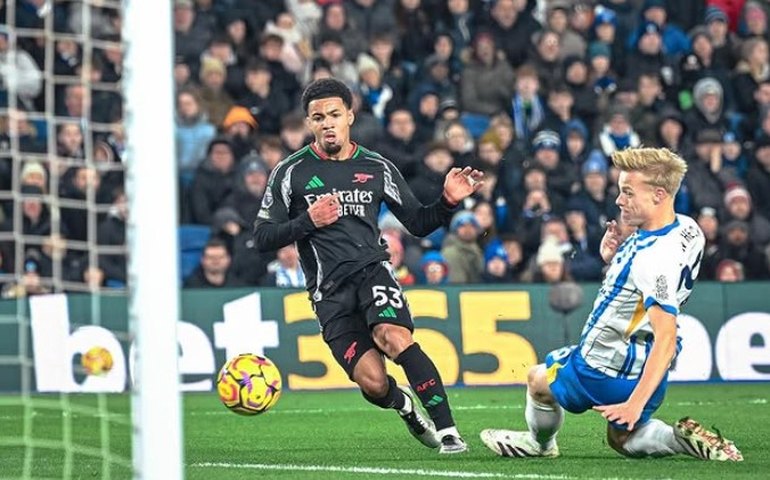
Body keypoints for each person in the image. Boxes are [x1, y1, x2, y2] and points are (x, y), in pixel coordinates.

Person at [253, 78, 483, 454]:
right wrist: (307, 221)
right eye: (318, 118)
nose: (327, 123)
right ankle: (405, 406)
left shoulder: (377, 167)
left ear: (350, 116)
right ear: (309, 123)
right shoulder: (290, 171)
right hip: (328, 292)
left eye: (334, 115)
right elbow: (263, 236)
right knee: (373, 383)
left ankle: (449, 433)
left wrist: (447, 202)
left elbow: (418, 223)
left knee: (395, 337)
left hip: (372, 270)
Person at [480, 147, 744, 462]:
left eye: (628, 192)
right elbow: (652, 280)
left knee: (538, 380)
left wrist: (634, 403)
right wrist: (617, 258)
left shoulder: (651, 260)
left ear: (659, 195)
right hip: (647, 369)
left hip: (604, 365)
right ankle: (676, 438)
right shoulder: (689, 229)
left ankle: (541, 445)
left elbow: (666, 333)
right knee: (621, 439)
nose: (619, 200)